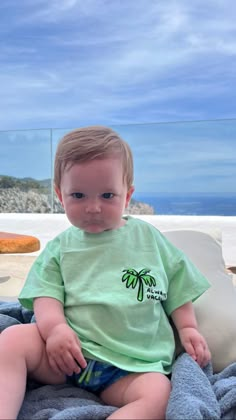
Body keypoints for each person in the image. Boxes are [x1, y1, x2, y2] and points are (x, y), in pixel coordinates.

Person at [0, 126, 211, 419]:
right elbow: (45, 294)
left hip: (130, 367)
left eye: (108, 195)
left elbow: (178, 284)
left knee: (159, 393)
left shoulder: (148, 238)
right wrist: (56, 330)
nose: (94, 207)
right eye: (79, 195)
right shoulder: (61, 247)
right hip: (69, 357)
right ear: (60, 195)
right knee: (12, 340)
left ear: (128, 195)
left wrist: (188, 328)